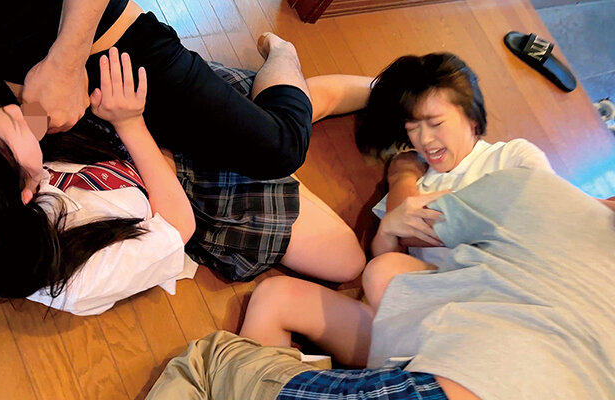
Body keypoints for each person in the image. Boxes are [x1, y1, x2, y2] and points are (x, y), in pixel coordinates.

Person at [0, 0, 373, 277]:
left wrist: (67, 58)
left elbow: (177, 228)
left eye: (13, 123)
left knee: (280, 147)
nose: (18, 116)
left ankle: (285, 62)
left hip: (85, 35)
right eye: (12, 127)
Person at [118, 168, 615, 400]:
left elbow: (389, 254)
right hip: (436, 360)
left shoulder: (536, 188)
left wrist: (402, 172)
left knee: (208, 369)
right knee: (281, 297)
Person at [238, 53, 555, 364]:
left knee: (386, 274)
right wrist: (390, 227)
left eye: (436, 123)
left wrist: (414, 200)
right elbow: (384, 263)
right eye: (413, 127)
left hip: (479, 325)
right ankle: (259, 393)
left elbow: (535, 223)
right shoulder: (416, 178)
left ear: (472, 116)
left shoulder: (512, 158)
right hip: (407, 327)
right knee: (274, 297)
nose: (425, 139)